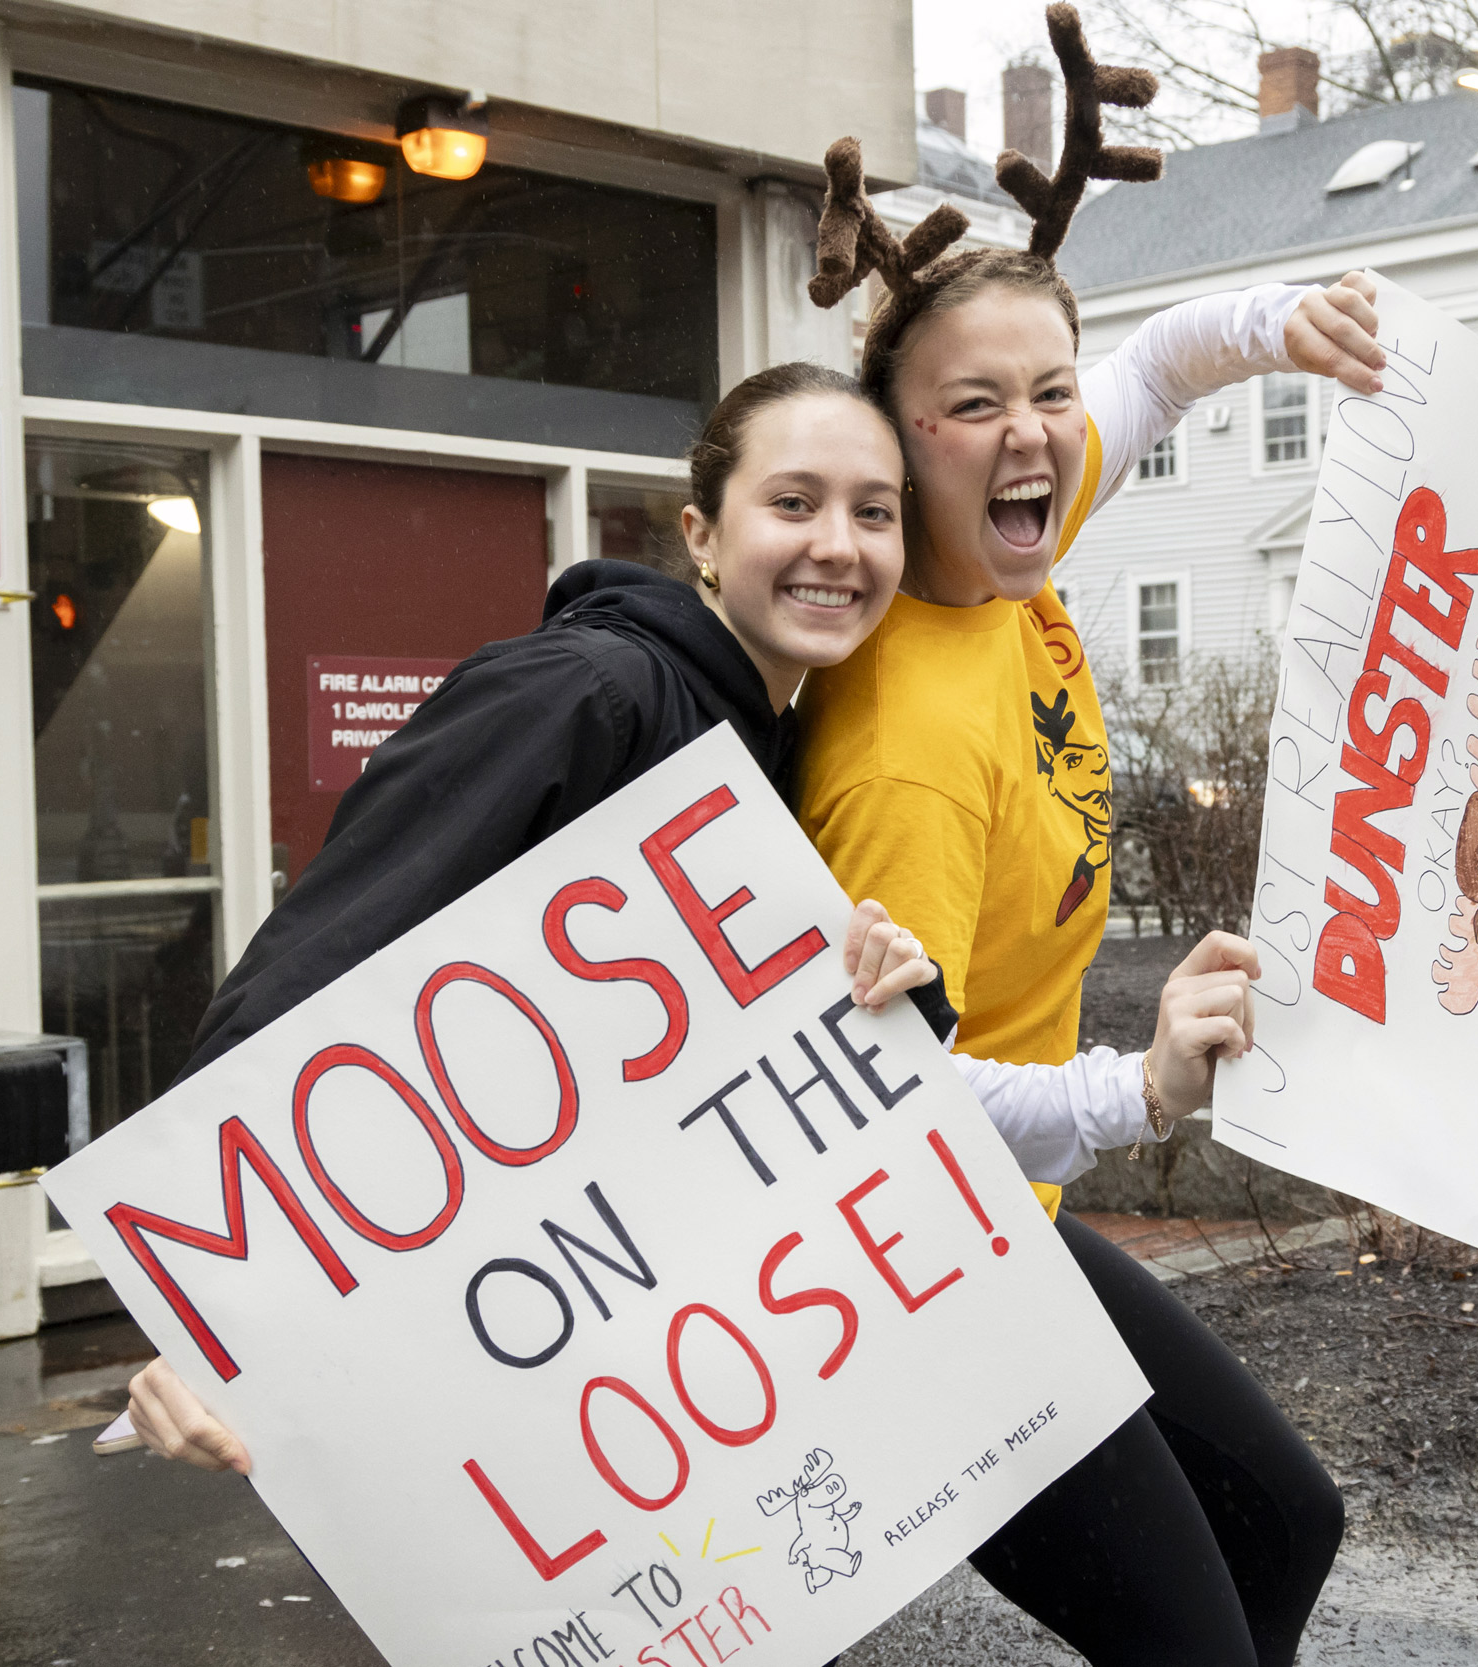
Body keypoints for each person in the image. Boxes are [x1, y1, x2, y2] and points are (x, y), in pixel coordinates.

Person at [122, 360, 1264, 1496]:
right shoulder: (586, 691)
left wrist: (900, 988)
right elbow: (315, 963)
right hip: (512, 1338)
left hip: (621, 1349)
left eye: (874, 513)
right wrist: (204, 1304)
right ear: (702, 534)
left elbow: (757, 1079)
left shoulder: (774, 751)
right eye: (793, 502)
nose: (838, 543)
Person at [791, 9, 1378, 1663]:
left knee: (1287, 1526)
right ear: (901, 446)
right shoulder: (905, 736)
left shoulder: (1008, 536)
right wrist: (1147, 1090)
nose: (1039, 428)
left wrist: (1292, 320)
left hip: (1010, 1238)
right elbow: (886, 1113)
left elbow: (1160, 361)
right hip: (908, 1280)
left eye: (1048, 390)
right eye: (977, 403)